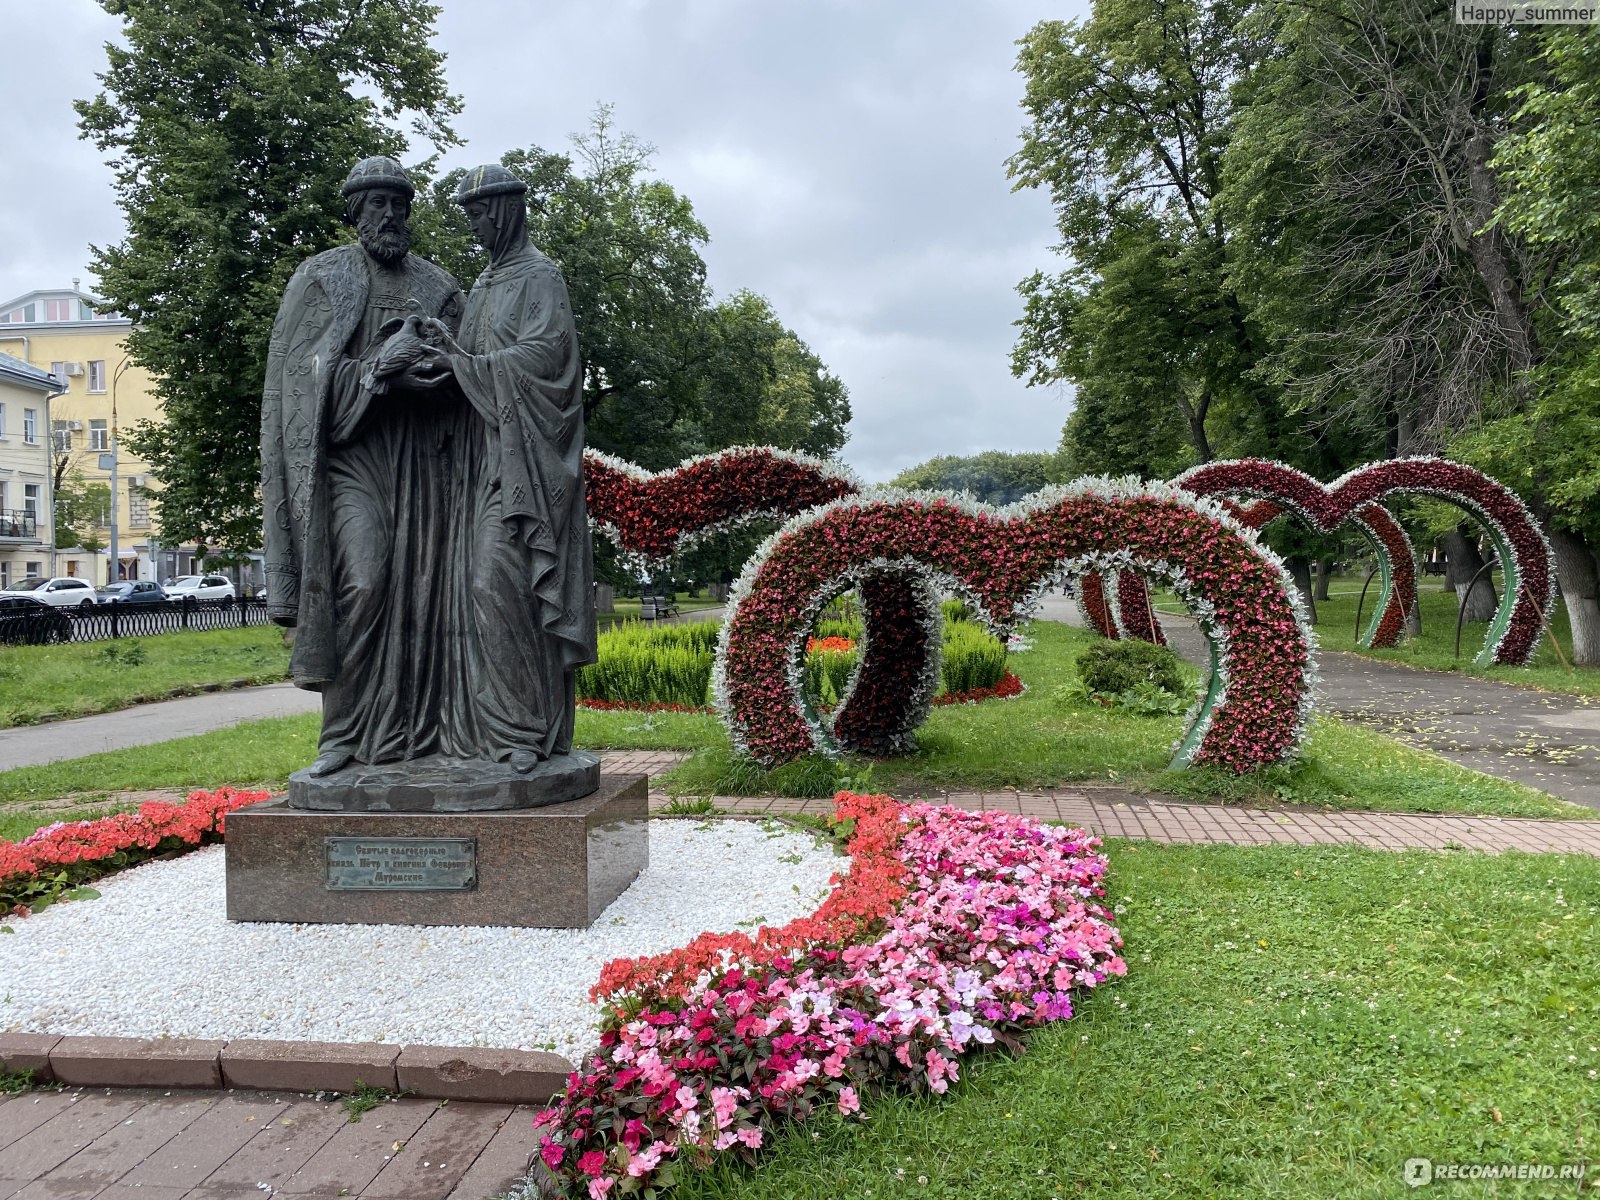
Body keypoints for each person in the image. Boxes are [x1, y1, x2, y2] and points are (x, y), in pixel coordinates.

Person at [260, 156, 465, 777]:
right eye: (377, 203)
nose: (391, 214)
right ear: (355, 211)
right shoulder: (321, 277)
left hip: (425, 465)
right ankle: (343, 737)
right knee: (364, 583)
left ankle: (423, 736)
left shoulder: (439, 285)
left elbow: (471, 366)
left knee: (428, 598)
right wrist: (379, 366)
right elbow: (300, 380)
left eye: (400, 203)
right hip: (353, 462)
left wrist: (435, 367)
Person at [399, 163, 596, 765]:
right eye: (468, 215)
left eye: (480, 213)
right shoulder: (483, 284)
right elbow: (474, 361)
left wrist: (460, 359)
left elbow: (548, 365)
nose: (475, 225)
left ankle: (523, 733)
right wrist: (441, 345)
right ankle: (488, 733)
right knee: (474, 597)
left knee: (498, 586)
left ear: (507, 208)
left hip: (523, 471)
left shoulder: (541, 278)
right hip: (476, 466)